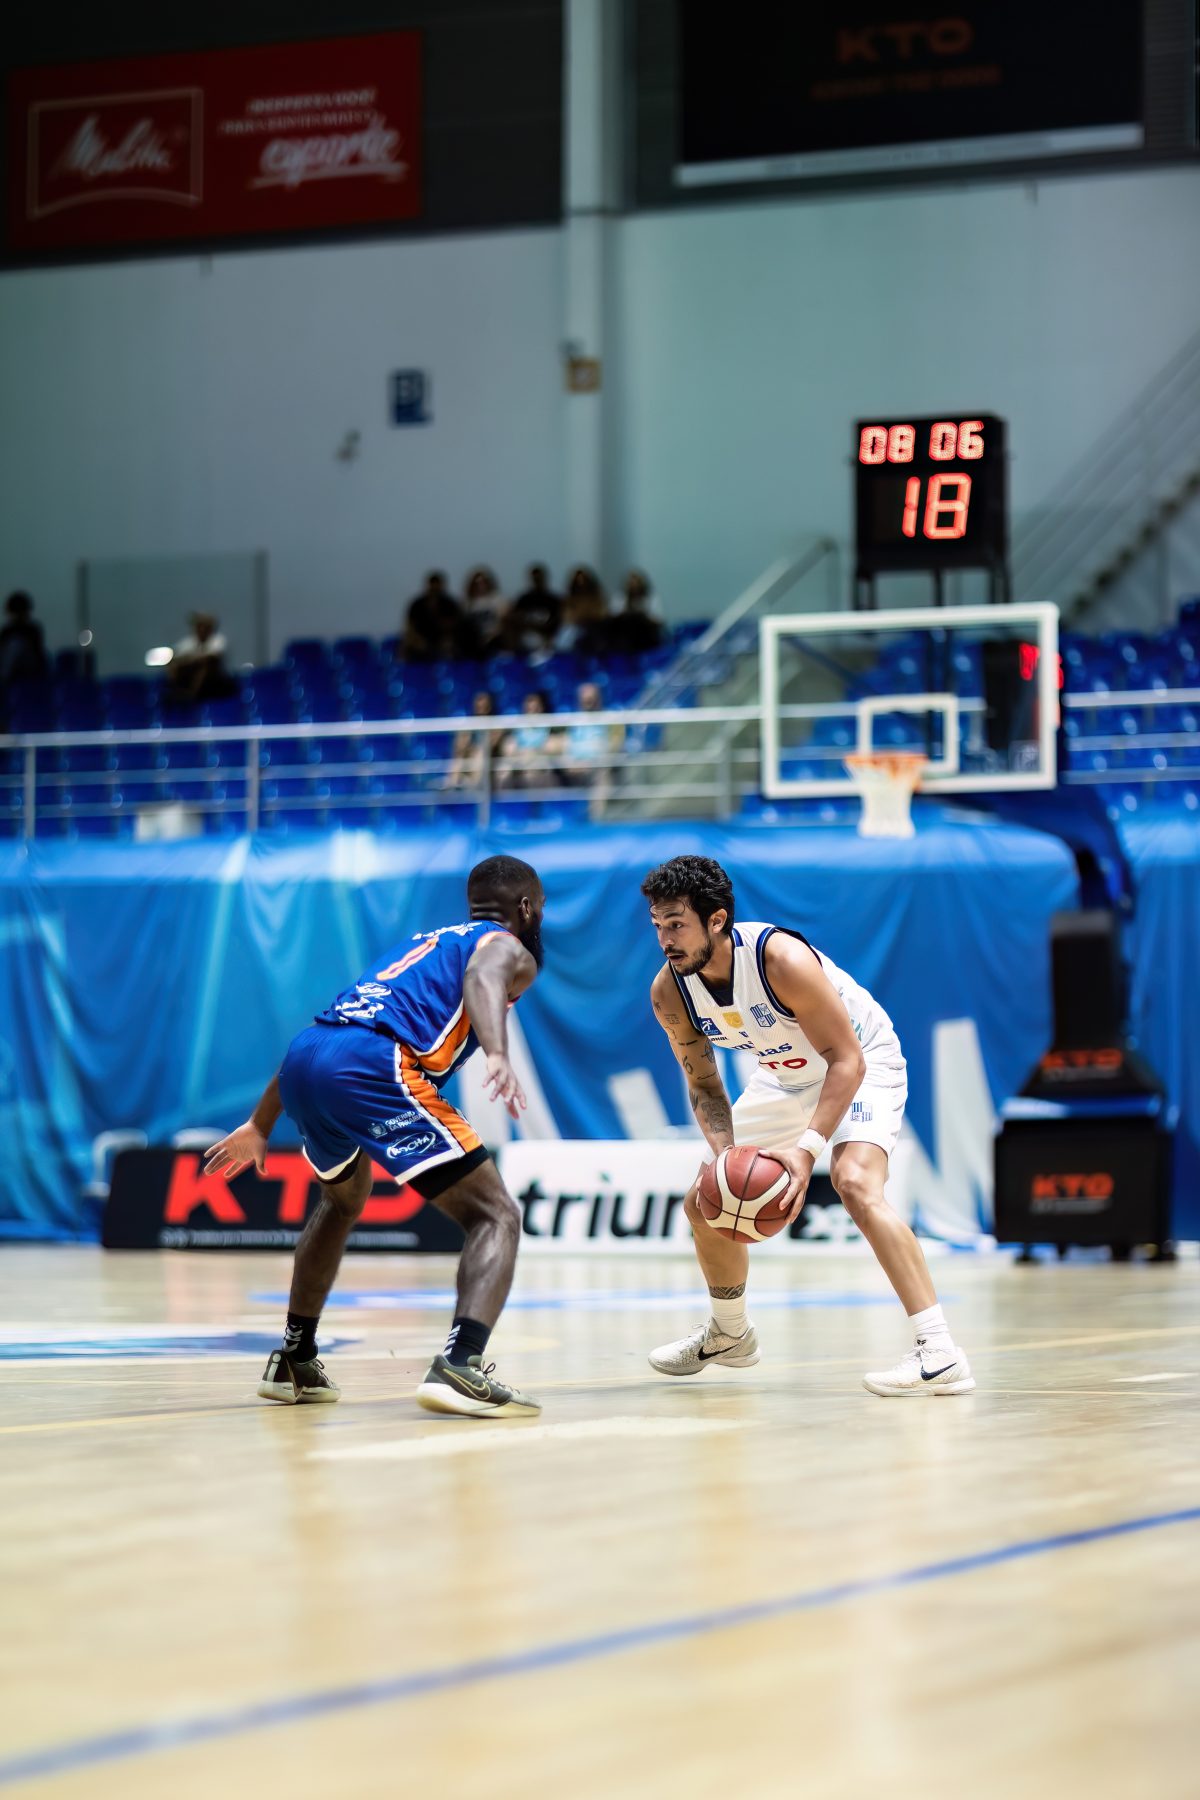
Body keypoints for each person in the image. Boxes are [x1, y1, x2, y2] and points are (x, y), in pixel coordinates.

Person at [203, 855, 547, 1418]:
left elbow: (332, 1032)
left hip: (307, 1057)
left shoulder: (427, 941)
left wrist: (260, 1124)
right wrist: (497, 1052)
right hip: (373, 1065)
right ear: (527, 908)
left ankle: (294, 1357)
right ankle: (460, 1364)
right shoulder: (506, 946)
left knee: (342, 1201)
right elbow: (483, 979)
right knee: (496, 1215)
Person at [641, 855, 974, 1398]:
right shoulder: (670, 992)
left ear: (717, 920)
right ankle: (730, 1334)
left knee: (855, 1184)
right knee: (703, 1202)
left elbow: (847, 1059)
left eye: (676, 924)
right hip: (783, 1075)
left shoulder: (780, 960)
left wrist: (806, 1150)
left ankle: (940, 1351)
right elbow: (704, 1084)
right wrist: (725, 1156)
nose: (665, 940)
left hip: (862, 1060)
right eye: (657, 926)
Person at [560, 681, 624, 817]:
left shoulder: (609, 718)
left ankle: (597, 818)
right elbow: (567, 746)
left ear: (598, 698)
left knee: (601, 773)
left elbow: (615, 744)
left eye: (591, 699)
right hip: (576, 765)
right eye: (585, 700)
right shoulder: (574, 721)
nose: (588, 702)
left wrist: (593, 760)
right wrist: (571, 762)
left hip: (599, 763)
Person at [496, 691, 564, 791]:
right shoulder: (518, 726)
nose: (532, 711)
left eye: (535, 708)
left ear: (541, 708)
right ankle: (503, 799)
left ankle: (538, 799)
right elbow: (509, 747)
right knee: (503, 769)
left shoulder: (549, 726)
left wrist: (534, 752)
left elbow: (554, 745)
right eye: (529, 708)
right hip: (520, 758)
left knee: (535, 768)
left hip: (541, 759)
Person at [167, 612, 237, 704]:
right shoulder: (189, 642)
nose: (202, 629)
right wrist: (190, 661)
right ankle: (178, 693)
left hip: (216, 681)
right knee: (173, 666)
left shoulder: (218, 640)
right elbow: (174, 657)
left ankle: (191, 696)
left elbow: (213, 657)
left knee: (206, 665)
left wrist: (192, 659)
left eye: (205, 626)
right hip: (190, 677)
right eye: (199, 625)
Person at [401, 571, 469, 663]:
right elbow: (410, 626)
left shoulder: (450, 604)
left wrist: (448, 639)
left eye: (437, 585)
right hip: (421, 640)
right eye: (432, 585)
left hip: (443, 641)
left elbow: (456, 625)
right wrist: (416, 640)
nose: (435, 588)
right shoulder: (417, 604)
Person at [445, 691, 503, 791]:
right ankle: (451, 787)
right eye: (478, 704)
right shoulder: (470, 724)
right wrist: (464, 744)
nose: (481, 707)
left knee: (479, 754)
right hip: (470, 755)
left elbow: (493, 744)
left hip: (490, 757)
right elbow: (460, 745)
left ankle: (474, 788)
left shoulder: (496, 723)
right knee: (458, 760)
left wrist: (475, 749)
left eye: (484, 705)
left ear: (489, 705)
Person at [504, 564, 562, 657]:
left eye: (539, 578)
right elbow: (515, 617)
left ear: (544, 578)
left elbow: (557, 620)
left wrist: (543, 628)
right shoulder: (524, 599)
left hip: (548, 635)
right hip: (527, 633)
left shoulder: (553, 599)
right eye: (535, 578)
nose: (537, 580)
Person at [0, 591, 49, 688]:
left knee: (16, 645)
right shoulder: (7, 631)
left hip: (29, 669)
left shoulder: (32, 630)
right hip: (10, 672)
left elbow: (38, 654)